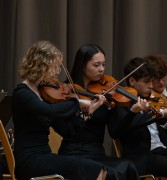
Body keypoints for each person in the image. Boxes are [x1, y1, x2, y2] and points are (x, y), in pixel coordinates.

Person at [12, 40, 107, 179]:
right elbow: (49, 111)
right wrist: (78, 102)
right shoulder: (22, 93)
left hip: (45, 156)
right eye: (54, 67)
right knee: (92, 169)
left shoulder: (43, 93)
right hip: (29, 160)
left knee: (98, 168)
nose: (57, 72)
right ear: (41, 66)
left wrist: (89, 111)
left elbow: (67, 130)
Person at [52, 44, 147, 179]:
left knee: (127, 166)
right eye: (96, 65)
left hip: (97, 153)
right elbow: (63, 128)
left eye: (103, 64)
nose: (101, 69)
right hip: (73, 153)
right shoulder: (66, 92)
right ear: (83, 66)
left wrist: (132, 111)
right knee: (108, 173)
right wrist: (87, 109)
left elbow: (115, 132)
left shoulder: (107, 94)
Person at [119, 57, 167, 179]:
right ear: (132, 81)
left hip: (163, 153)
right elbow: (116, 131)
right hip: (144, 158)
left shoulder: (150, 103)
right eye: (146, 82)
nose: (151, 86)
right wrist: (159, 112)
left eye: (151, 81)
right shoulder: (122, 105)